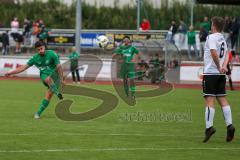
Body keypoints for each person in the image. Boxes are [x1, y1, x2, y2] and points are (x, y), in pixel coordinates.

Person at [5, 41, 64, 119]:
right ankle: (57, 93)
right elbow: (23, 67)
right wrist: (11, 72)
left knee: (49, 95)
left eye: (41, 49)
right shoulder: (35, 58)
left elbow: (59, 67)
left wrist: (62, 79)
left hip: (55, 76)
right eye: (38, 50)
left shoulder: (52, 54)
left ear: (45, 47)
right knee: (48, 79)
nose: (40, 51)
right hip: (44, 75)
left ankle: (38, 113)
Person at [202, 16, 235, 143]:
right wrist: (224, 67)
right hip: (221, 75)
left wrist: (219, 66)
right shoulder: (222, 38)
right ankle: (230, 125)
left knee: (209, 100)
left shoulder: (211, 37)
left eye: (211, 24)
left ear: (213, 26)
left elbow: (214, 53)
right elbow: (227, 54)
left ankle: (209, 128)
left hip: (210, 73)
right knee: (222, 99)